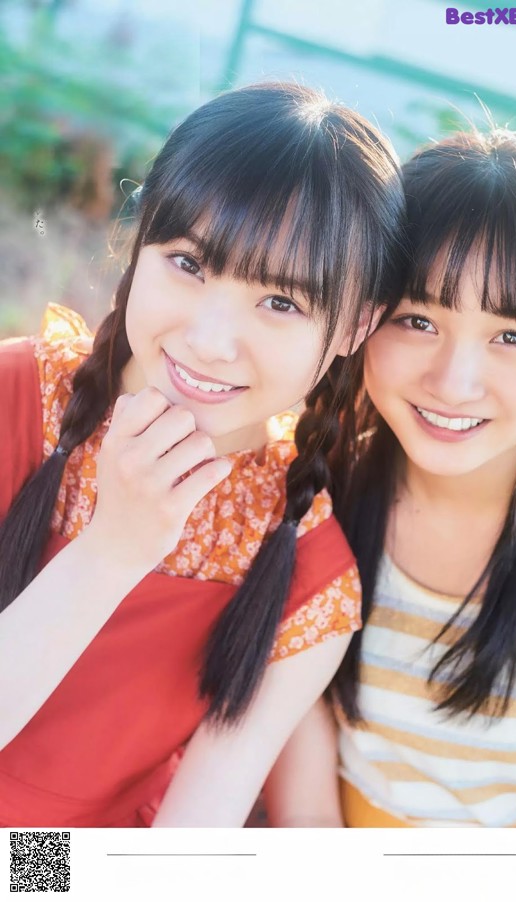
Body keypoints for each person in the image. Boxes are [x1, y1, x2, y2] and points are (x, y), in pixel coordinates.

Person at [0, 82, 406, 827]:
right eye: (189, 263)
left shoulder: (309, 579)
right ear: (142, 236)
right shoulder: (15, 398)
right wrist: (111, 553)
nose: (211, 339)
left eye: (281, 303)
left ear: (355, 326)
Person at [266, 128, 516, 828]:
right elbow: (303, 811)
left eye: (512, 336)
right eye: (417, 319)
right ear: (365, 317)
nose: (454, 382)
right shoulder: (311, 486)